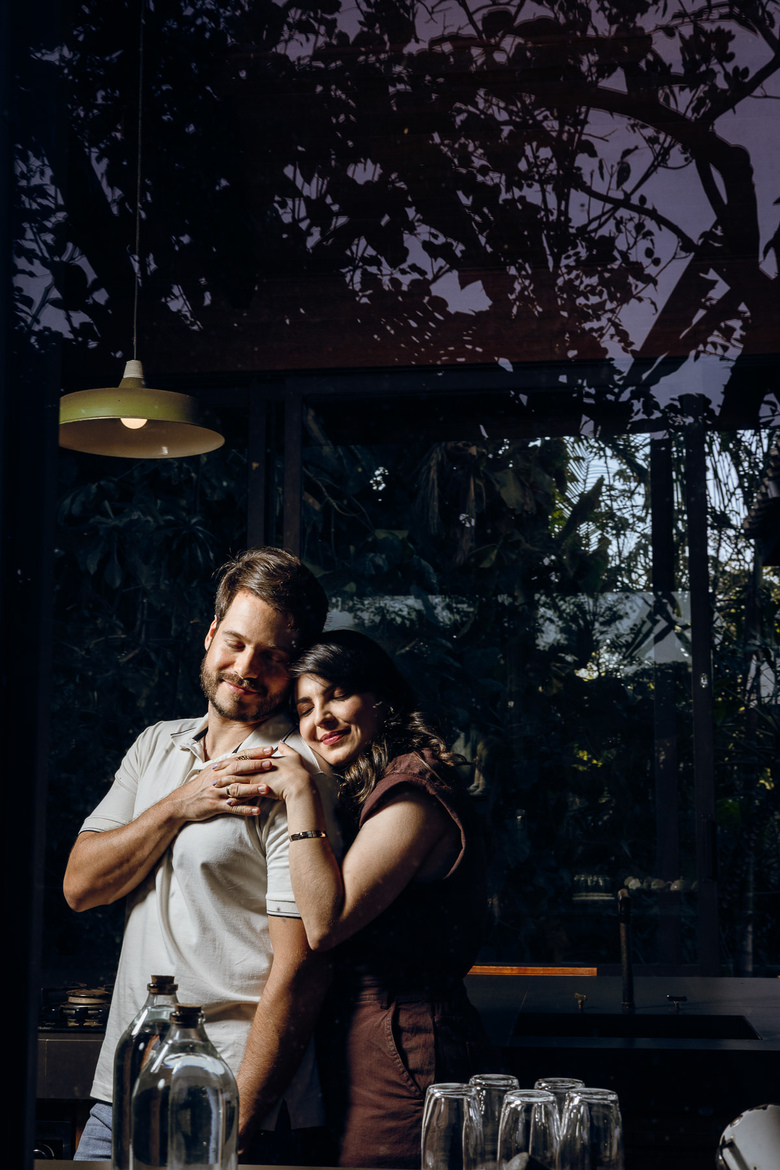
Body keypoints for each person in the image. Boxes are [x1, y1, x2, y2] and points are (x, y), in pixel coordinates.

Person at [63, 547, 342, 1164]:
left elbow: (301, 972)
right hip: (124, 1089)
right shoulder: (156, 745)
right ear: (211, 634)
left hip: (230, 1096)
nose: (246, 668)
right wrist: (180, 805)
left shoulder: (297, 776)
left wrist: (235, 1125)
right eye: (236, 643)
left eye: (273, 657)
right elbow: (82, 886)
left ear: (296, 667)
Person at [211, 629, 494, 1169]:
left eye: (338, 695)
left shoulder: (413, 790)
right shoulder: (372, 786)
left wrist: (299, 791)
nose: (322, 719)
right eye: (305, 708)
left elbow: (325, 923)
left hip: (408, 1049)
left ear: (381, 697)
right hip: (363, 1045)